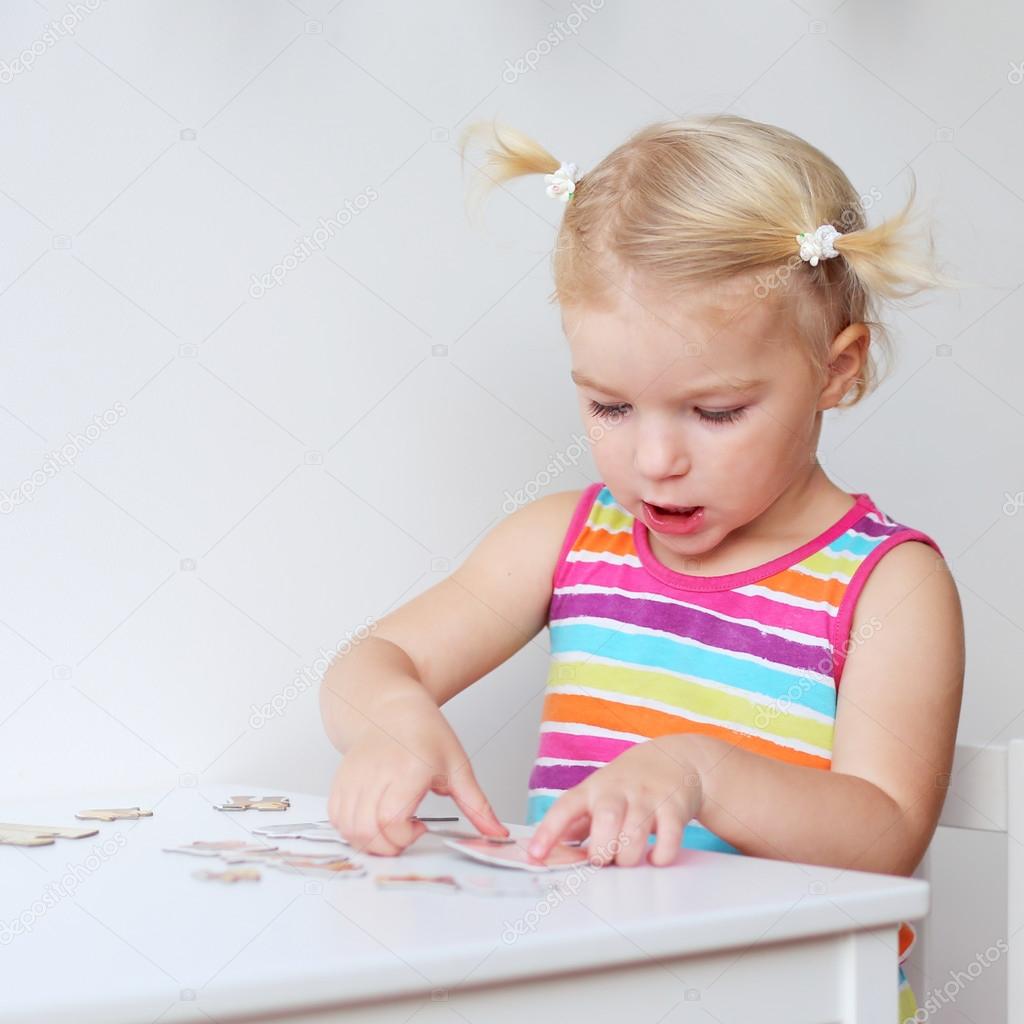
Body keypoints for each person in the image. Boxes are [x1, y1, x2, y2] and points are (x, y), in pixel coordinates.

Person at [320, 114, 966, 1024]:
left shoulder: (889, 585)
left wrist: (703, 773)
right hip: (587, 990)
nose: (654, 460)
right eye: (611, 406)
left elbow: (887, 835)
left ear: (837, 368)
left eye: (715, 411)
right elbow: (376, 659)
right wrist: (388, 723)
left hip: (794, 999)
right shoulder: (570, 539)